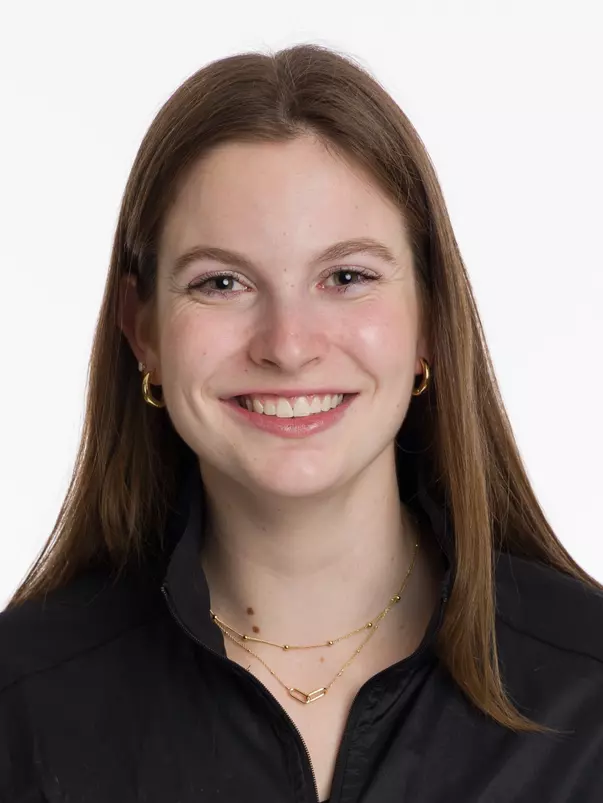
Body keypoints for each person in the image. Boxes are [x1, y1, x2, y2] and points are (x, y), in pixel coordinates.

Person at [1, 42, 602, 803]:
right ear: (142, 330)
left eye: (346, 276)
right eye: (220, 281)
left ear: (429, 320)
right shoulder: (21, 705)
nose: (287, 345)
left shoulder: (589, 688)